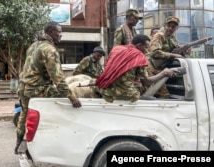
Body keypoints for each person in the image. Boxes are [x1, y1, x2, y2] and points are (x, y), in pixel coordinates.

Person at [14, 21, 82, 154]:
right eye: (59, 32)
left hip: (23, 87)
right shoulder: (50, 49)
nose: (61, 35)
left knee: (24, 114)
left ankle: (18, 145)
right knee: (65, 99)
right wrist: (72, 98)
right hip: (37, 88)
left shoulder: (33, 46)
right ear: (51, 32)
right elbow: (58, 79)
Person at [93, 34, 177, 103]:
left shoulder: (116, 49)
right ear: (139, 45)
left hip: (105, 91)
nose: (147, 51)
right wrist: (163, 73)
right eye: (146, 47)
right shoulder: (139, 57)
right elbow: (146, 82)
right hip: (126, 95)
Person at [148, 16, 184, 98]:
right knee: (163, 94)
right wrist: (172, 55)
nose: (170, 28)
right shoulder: (159, 35)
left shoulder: (172, 38)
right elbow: (155, 52)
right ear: (165, 25)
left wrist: (184, 50)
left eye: (173, 27)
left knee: (157, 93)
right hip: (152, 67)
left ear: (176, 28)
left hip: (162, 67)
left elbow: (177, 49)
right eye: (169, 26)